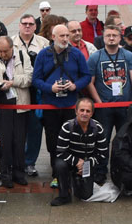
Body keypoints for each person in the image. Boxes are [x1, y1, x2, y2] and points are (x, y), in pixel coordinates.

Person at [32, 24, 91, 181]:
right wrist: (50, 88)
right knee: (53, 141)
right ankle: (56, 174)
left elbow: (86, 76)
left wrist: (75, 86)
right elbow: (35, 79)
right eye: (62, 36)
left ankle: (72, 172)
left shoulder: (76, 54)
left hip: (70, 105)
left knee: (73, 139)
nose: (65, 39)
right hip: (50, 105)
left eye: (67, 36)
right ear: (53, 37)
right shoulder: (43, 55)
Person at [0, 35, 32, 187]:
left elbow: (29, 78)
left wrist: (13, 82)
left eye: (6, 51)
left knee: (19, 142)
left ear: (12, 48)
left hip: (20, 105)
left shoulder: (22, 56)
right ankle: (5, 175)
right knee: (3, 143)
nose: (3, 54)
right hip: (1, 107)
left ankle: (19, 173)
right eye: (0, 51)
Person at [86, 24, 132, 145]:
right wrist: (98, 102)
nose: (111, 38)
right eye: (108, 35)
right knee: (103, 139)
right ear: (103, 37)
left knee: (125, 140)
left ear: (120, 38)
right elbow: (89, 82)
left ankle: (122, 158)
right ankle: (102, 159)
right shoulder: (95, 57)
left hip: (125, 105)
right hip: (104, 107)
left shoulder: (128, 55)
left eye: (114, 35)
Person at [51, 98, 110, 206]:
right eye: (82, 110)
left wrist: (87, 164)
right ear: (76, 111)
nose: (84, 113)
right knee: (59, 165)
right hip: (70, 161)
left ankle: (76, 180)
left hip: (88, 162)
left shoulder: (98, 128)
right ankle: (64, 195)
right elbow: (60, 152)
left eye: (88, 111)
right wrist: (77, 162)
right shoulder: (67, 127)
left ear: (92, 113)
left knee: (85, 195)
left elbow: (103, 153)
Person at [12, 13, 48, 177]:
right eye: (24, 23)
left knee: (35, 129)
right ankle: (16, 161)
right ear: (19, 25)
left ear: (35, 26)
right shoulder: (11, 42)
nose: (27, 26)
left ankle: (30, 162)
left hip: (37, 92)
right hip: (17, 90)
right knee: (17, 130)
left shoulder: (44, 43)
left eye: (30, 24)